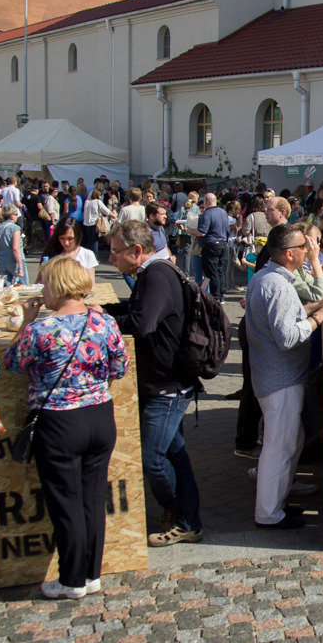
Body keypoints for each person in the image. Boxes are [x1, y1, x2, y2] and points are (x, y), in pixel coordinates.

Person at [5, 255, 129, 599]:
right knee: (92, 499)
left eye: (44, 283)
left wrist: (25, 322)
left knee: (66, 503)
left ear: (56, 286)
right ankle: (91, 574)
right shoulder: (103, 323)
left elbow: (13, 363)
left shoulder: (41, 330)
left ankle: (72, 579)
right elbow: (119, 367)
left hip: (59, 421)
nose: (42, 290)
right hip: (99, 415)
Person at [103, 221, 203, 547]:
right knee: (176, 455)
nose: (111, 257)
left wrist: (99, 320)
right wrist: (105, 309)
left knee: (154, 458)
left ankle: (179, 513)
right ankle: (188, 519)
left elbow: (142, 323)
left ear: (136, 250)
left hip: (168, 386)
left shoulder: (157, 274)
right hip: (165, 382)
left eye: (116, 251)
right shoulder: (152, 273)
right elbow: (139, 310)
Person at [245, 224, 323, 529]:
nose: (308, 250)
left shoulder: (267, 278)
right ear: (290, 254)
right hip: (280, 379)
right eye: (303, 247)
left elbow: (288, 313)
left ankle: (278, 504)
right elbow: (287, 336)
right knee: (279, 447)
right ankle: (268, 514)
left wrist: (317, 305)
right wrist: (319, 316)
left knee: (290, 442)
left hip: (279, 376)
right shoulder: (276, 285)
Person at [186, 193, 232, 301]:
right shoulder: (223, 212)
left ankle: (215, 297)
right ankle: (221, 296)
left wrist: (189, 230)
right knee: (220, 271)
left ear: (206, 201)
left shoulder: (207, 213)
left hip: (211, 245)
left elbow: (202, 232)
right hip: (222, 244)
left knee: (212, 272)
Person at [42, 218, 98, 286]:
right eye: (62, 238)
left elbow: (90, 284)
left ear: (77, 236)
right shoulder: (52, 253)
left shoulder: (87, 254)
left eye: (70, 239)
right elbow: (41, 282)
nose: (66, 243)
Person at [0, 206, 27, 285]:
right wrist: (20, 267)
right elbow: (15, 248)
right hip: (14, 261)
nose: (17, 217)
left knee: (6, 286)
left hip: (1, 260)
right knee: (23, 286)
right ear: (11, 216)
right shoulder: (15, 228)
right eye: (16, 214)